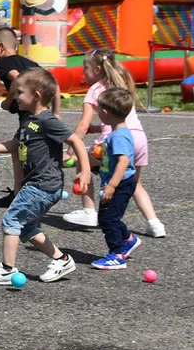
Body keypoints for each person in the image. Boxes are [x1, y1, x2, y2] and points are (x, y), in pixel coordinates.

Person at [0, 69, 91, 285]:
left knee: (11, 219)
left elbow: (75, 141)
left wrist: (84, 171)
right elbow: (16, 145)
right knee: (27, 228)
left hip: (43, 185)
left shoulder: (48, 120)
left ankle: (7, 269)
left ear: (36, 96)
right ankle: (62, 259)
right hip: (37, 184)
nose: (15, 97)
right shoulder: (28, 119)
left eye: (19, 92)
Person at [62, 48, 166, 237]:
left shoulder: (95, 90)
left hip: (115, 141)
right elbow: (115, 121)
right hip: (138, 137)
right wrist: (97, 128)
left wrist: (69, 152)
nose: (83, 72)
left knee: (80, 160)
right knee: (134, 182)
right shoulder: (121, 82)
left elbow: (83, 125)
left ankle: (88, 211)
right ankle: (155, 224)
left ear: (98, 69)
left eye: (86, 68)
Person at [0, 26, 60, 207]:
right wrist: (56, 113)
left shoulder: (3, 64)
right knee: (24, 151)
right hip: (43, 112)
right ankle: (20, 192)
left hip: (28, 117)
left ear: (2, 46)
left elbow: (18, 78)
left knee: (23, 151)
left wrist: (8, 102)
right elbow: (55, 85)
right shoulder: (30, 63)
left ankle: (23, 194)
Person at [89, 88, 143, 270]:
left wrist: (111, 185)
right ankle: (128, 239)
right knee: (109, 217)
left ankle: (117, 255)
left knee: (108, 220)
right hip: (119, 182)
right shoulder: (116, 132)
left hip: (119, 184)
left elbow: (123, 161)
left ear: (105, 113)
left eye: (98, 110)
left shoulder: (119, 136)